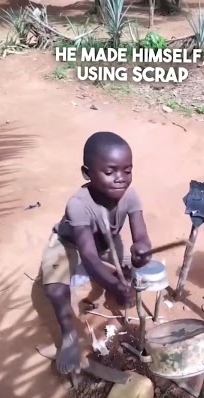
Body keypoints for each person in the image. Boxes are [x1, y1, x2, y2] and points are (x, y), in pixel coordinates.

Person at [39, 131, 153, 375]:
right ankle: (69, 336)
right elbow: (89, 257)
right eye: (110, 172)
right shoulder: (78, 204)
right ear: (87, 173)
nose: (120, 178)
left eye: (127, 170)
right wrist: (112, 284)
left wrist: (142, 250)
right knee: (55, 289)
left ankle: (123, 289)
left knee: (135, 269)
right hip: (71, 243)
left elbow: (141, 237)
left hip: (107, 242)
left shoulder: (130, 195)